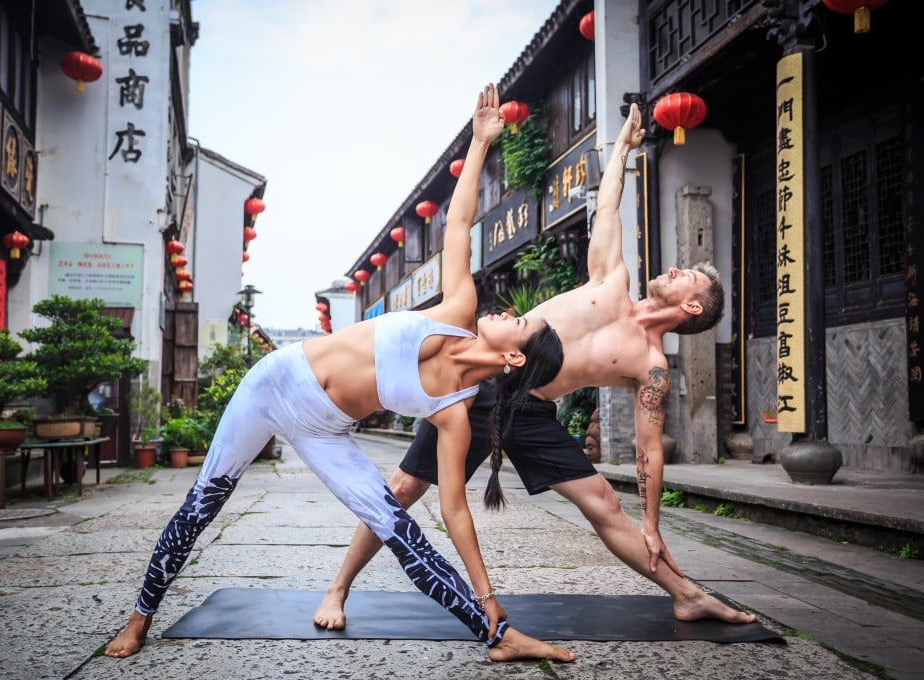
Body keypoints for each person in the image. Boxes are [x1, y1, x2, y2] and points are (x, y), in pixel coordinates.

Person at [105, 84, 576, 664]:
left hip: (325, 431)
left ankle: (498, 635)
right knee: (203, 504)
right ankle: (139, 619)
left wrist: (488, 592)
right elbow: (458, 224)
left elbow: (455, 510)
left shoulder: (454, 413)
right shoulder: (458, 310)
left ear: (514, 359)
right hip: (273, 386)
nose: (506, 312)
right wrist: (480, 143)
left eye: (519, 322)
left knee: (403, 533)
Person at [313, 102, 758, 631]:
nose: (677, 269)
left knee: (603, 504)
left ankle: (688, 595)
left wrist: (652, 522)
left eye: (688, 278)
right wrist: (621, 147)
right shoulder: (611, 279)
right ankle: (337, 590)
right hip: (484, 383)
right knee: (406, 488)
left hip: (533, 413)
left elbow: (649, 449)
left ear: (691, 308)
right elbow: (609, 205)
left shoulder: (651, 367)